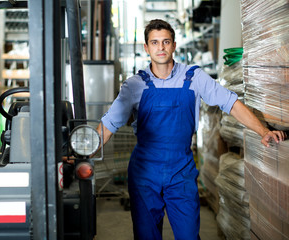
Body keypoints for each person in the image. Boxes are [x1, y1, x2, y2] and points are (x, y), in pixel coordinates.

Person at [96, 19, 286, 240]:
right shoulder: (134, 85)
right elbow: (108, 126)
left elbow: (230, 103)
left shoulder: (194, 77)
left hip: (181, 171)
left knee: (188, 235)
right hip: (145, 173)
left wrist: (263, 131)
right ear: (146, 48)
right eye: (155, 43)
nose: (161, 47)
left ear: (174, 45)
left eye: (166, 41)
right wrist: (83, 153)